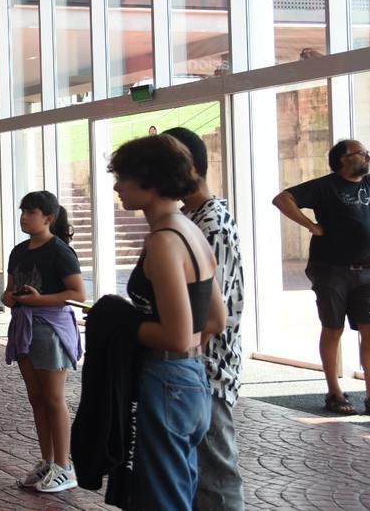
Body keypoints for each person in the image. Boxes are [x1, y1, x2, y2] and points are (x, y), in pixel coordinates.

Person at [108, 135, 226, 510]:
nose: (116, 186)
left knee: (162, 499)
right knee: (179, 488)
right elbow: (216, 319)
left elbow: (175, 336)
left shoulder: (164, 241)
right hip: (191, 379)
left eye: (123, 177)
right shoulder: (191, 229)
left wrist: (117, 322)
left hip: (168, 379)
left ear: (150, 181)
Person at [272, 139, 370, 420]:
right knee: (333, 329)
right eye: (361, 153)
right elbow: (282, 199)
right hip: (330, 269)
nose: (368, 156)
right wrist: (311, 226)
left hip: (367, 271)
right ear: (344, 159)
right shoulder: (324, 186)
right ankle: (335, 392)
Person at [163, 127, 246, 510]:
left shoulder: (208, 223)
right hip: (200, 365)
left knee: (216, 475)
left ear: (190, 167)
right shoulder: (192, 217)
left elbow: (213, 314)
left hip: (209, 368)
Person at [3, 191, 85, 494]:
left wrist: (40, 301)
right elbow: (8, 290)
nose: (24, 216)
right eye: (23, 211)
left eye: (31, 212)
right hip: (24, 327)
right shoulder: (19, 250)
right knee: (36, 397)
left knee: (53, 398)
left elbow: (78, 294)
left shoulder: (59, 251)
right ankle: (48, 461)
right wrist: (9, 297)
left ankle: (65, 467)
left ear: (48, 218)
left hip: (51, 328)